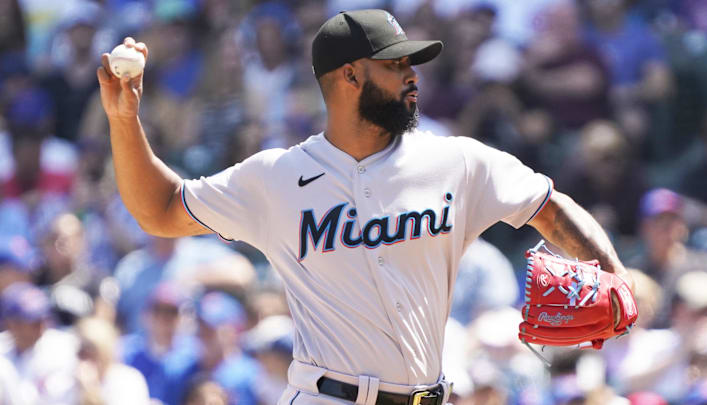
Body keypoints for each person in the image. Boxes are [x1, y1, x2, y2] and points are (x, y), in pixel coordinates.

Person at [97, 9, 633, 405]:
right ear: (350, 76)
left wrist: (612, 275)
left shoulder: (457, 161)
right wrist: (124, 122)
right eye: (396, 64)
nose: (412, 76)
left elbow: (550, 206)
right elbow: (160, 209)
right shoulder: (277, 177)